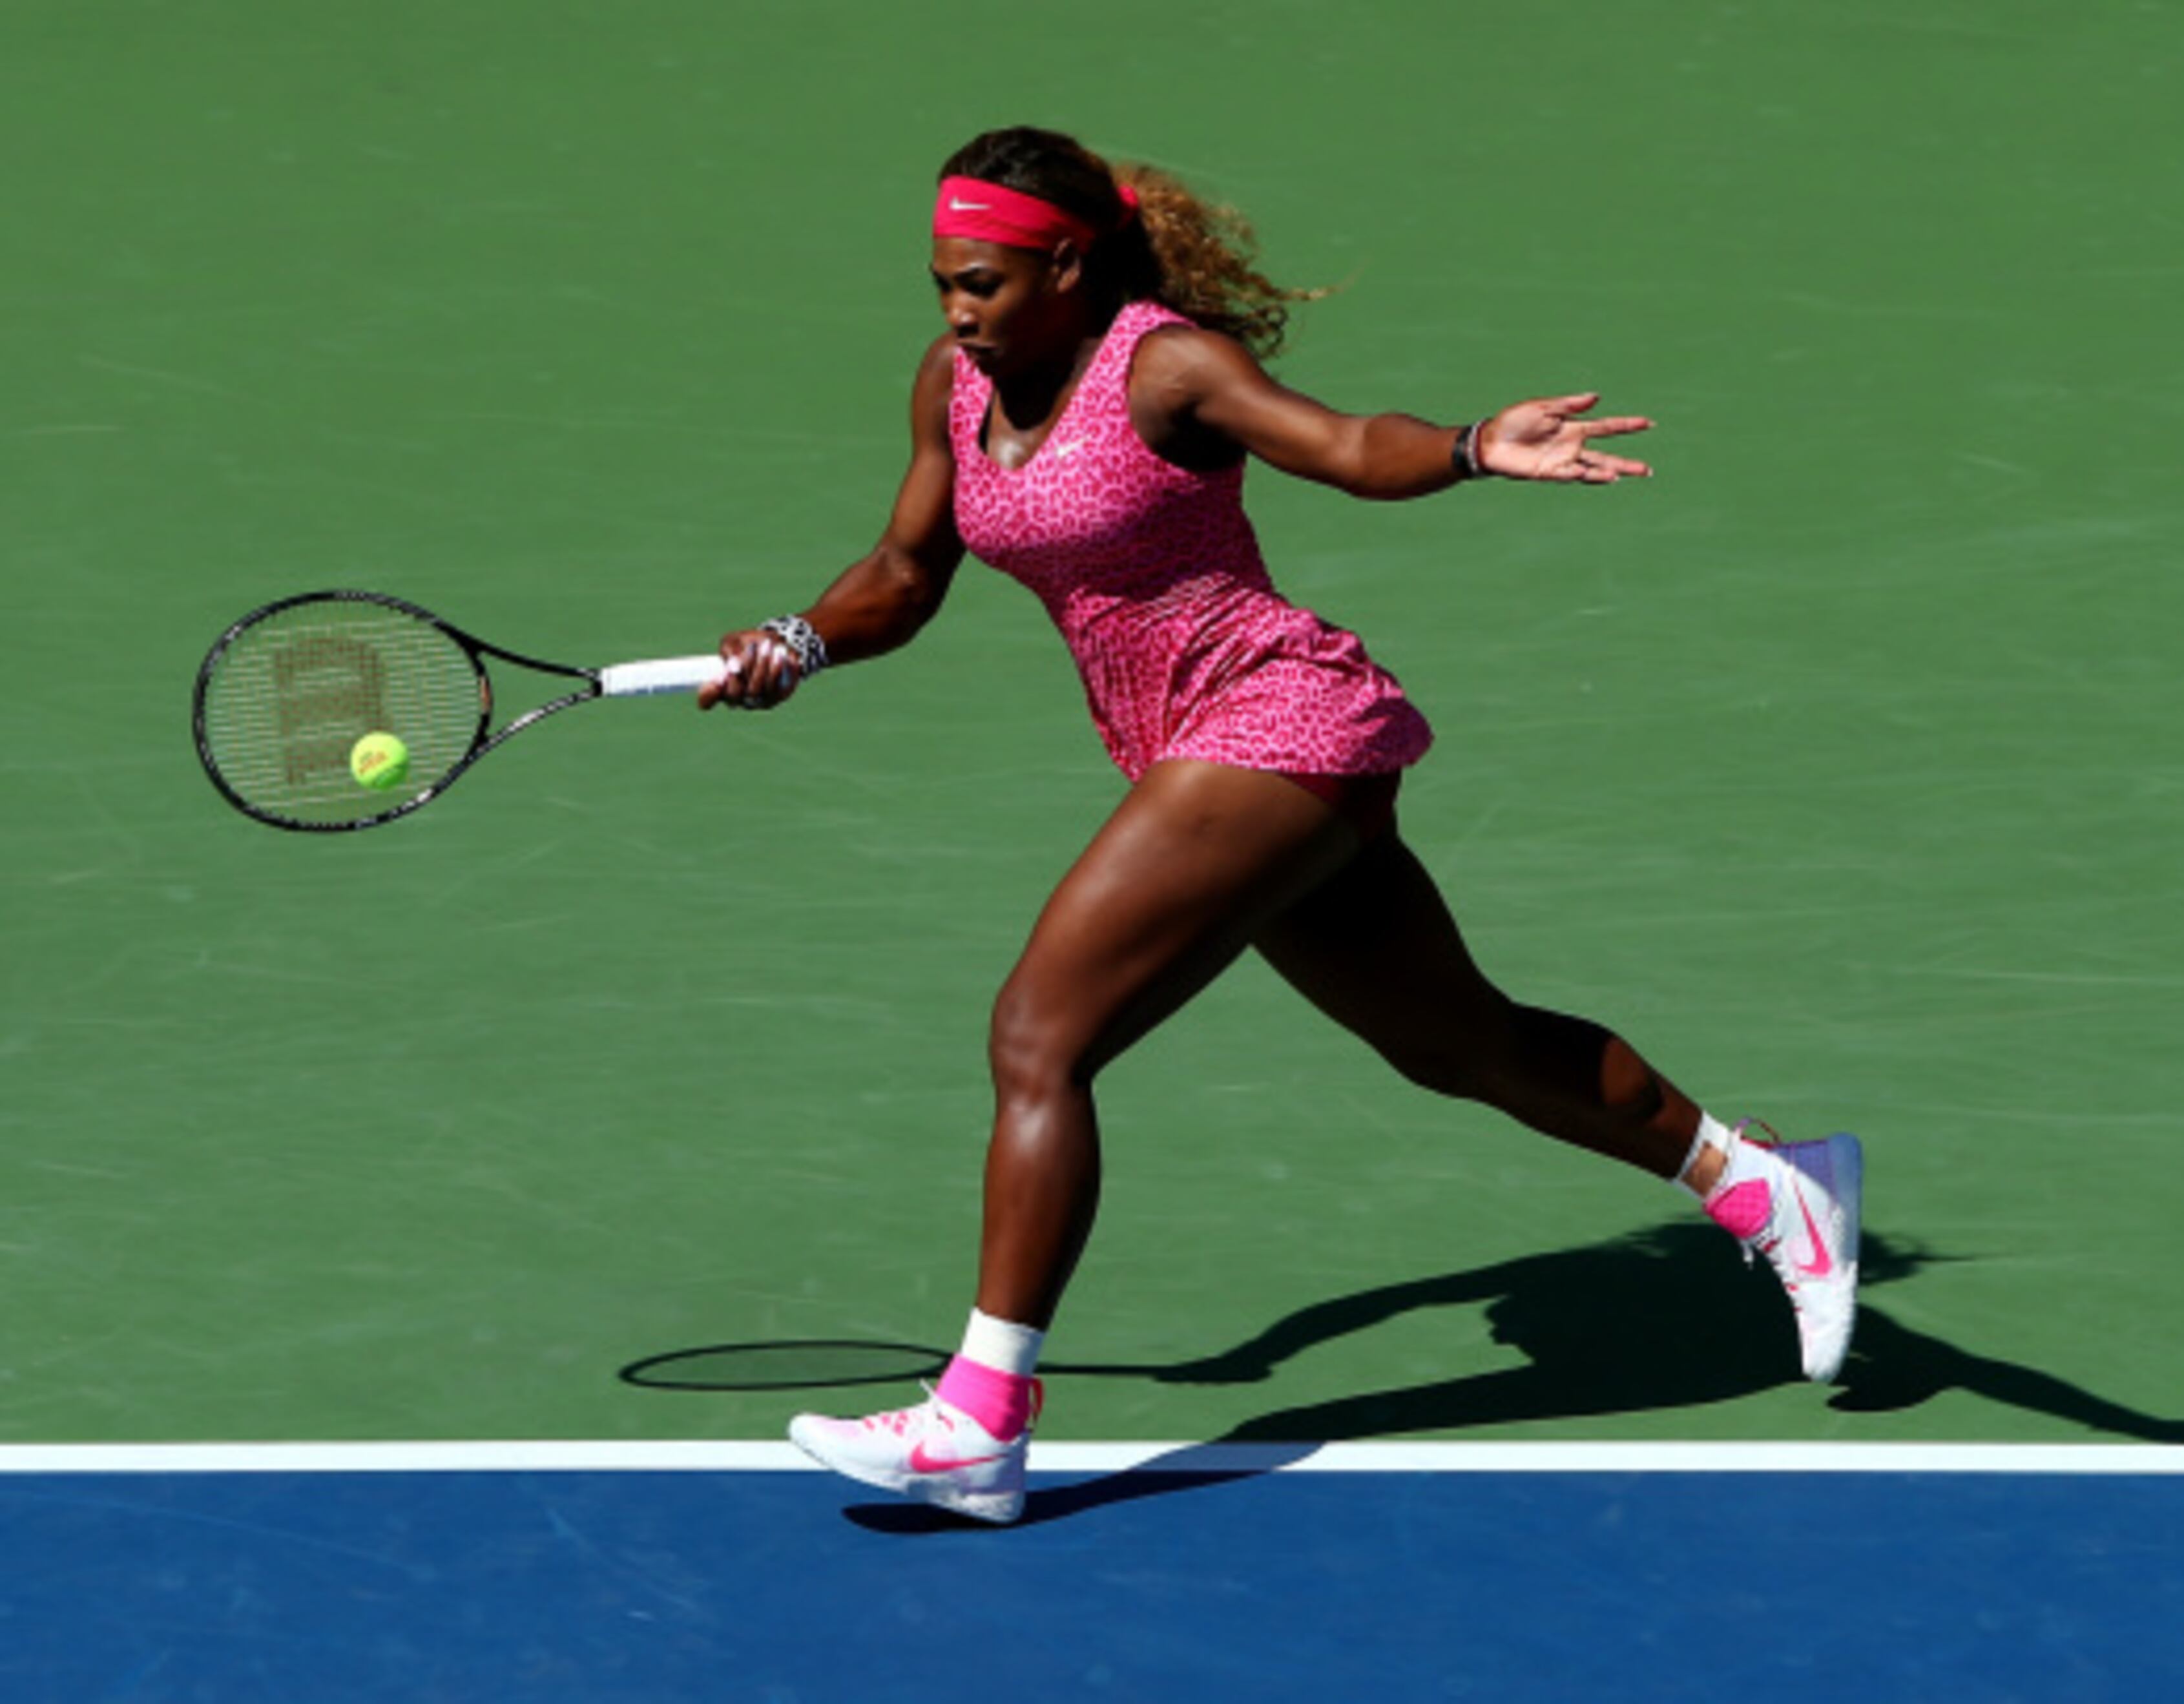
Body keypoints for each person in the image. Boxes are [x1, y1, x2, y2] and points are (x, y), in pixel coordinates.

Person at [700, 125, 1864, 1524]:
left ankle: (980, 1419)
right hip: (1200, 751)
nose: (958, 307)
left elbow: (1344, 446)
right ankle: (1768, 1185)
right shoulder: (956, 385)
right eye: (945, 280)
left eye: (986, 281)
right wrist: (797, 638)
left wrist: (1474, 446)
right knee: (1458, 1042)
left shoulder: (1165, 364)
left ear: (1068, 263)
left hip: (1274, 718)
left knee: (1039, 1033)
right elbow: (903, 568)